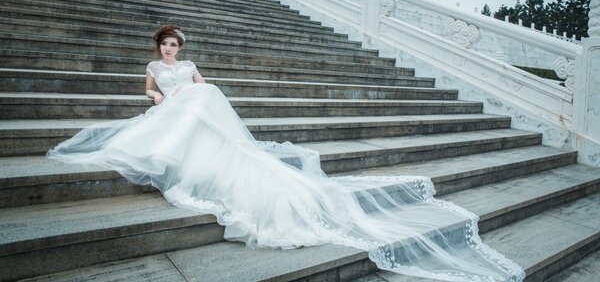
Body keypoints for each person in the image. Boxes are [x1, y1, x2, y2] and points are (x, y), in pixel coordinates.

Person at [47, 25, 524, 281]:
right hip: (169, 110)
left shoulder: (190, 66)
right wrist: (160, 98)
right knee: (180, 107)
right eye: (167, 46)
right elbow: (150, 94)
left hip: (194, 107)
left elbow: (204, 87)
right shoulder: (152, 67)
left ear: (181, 48)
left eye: (175, 46)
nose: (170, 52)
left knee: (205, 96)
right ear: (158, 47)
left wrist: (190, 91)